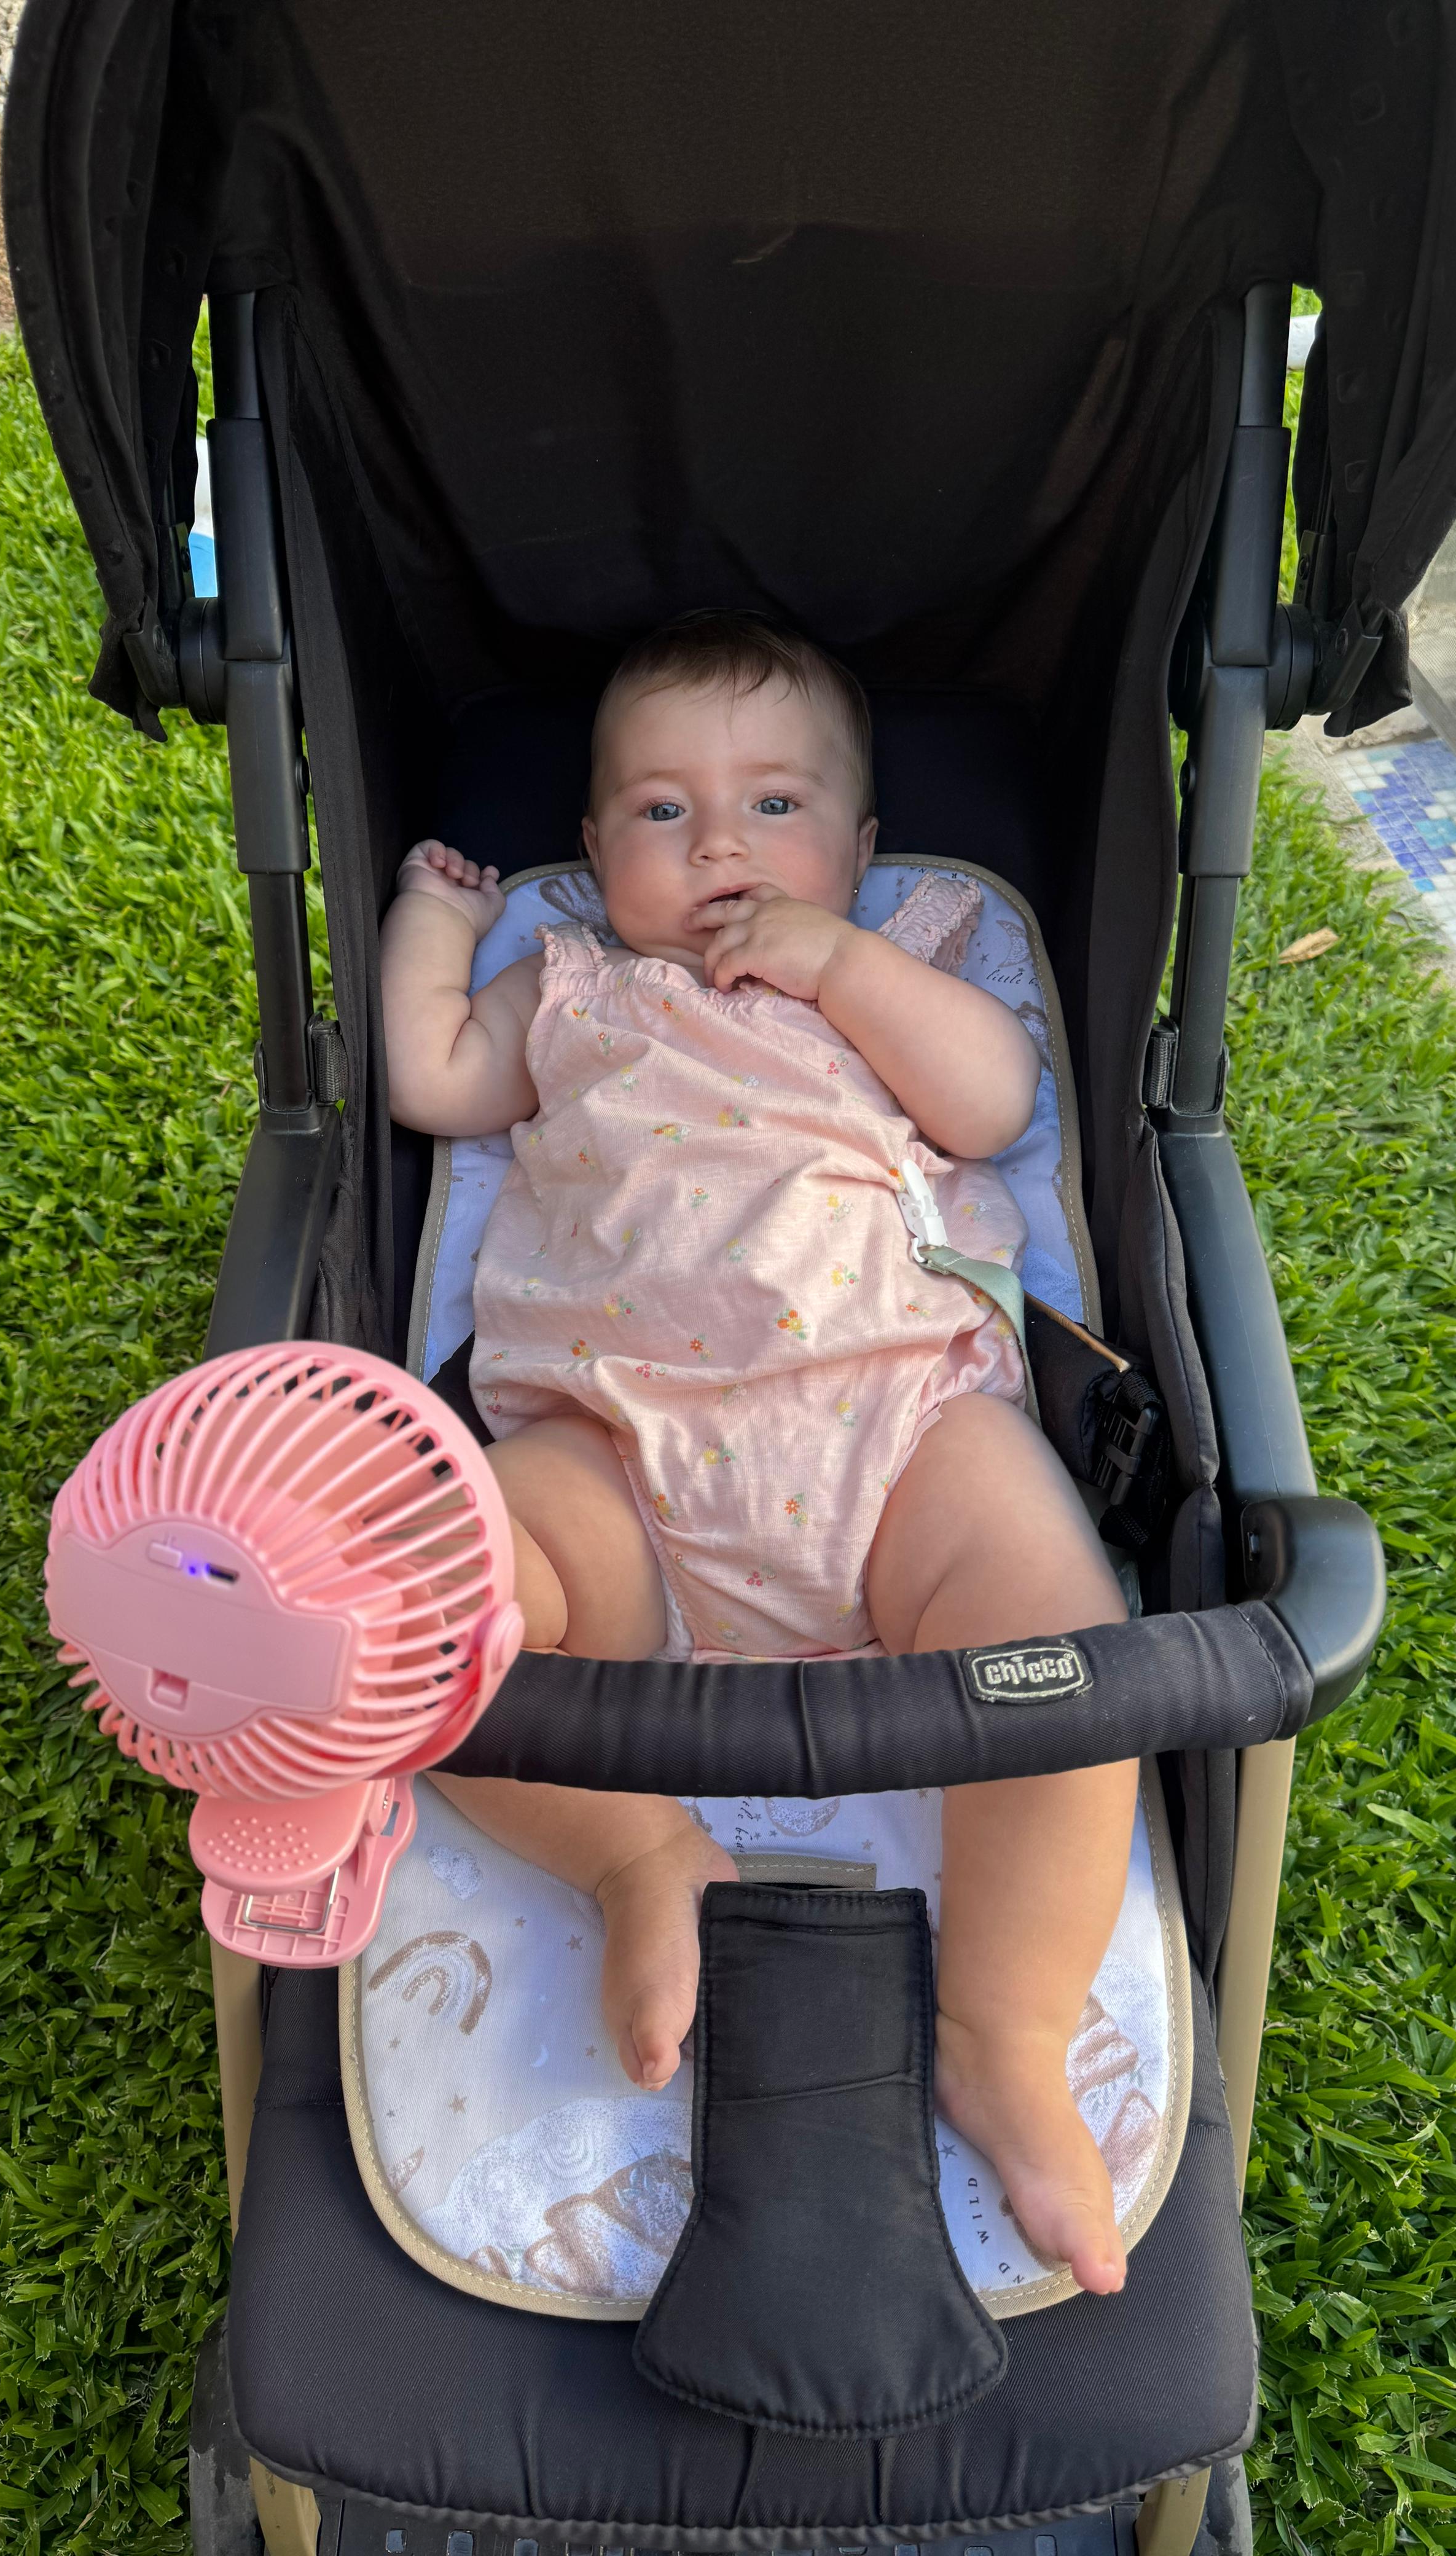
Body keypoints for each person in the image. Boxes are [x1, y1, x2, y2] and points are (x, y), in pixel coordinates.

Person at [378, 611, 1134, 2293]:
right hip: (615, 1457)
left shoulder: (903, 960)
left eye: (776, 807)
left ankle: (1007, 2032)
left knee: (1069, 1663)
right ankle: (641, 1854)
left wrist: (843, 966)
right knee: (421, 1611)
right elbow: (431, 1078)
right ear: (593, 856)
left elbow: (996, 1104)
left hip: (896, 1436)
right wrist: (440, 917)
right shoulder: (570, 984)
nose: (720, 843)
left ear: (861, 850)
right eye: (662, 812)